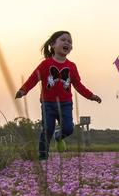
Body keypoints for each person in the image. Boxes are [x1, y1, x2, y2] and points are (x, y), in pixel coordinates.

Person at [15, 31, 102, 160]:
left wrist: (91, 96)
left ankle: (58, 136)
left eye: (70, 42)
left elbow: (78, 85)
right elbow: (33, 78)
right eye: (63, 40)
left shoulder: (72, 66)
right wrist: (23, 90)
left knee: (68, 128)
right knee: (47, 129)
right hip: (48, 103)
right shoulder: (46, 64)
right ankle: (43, 155)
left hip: (65, 103)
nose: (67, 43)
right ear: (53, 44)